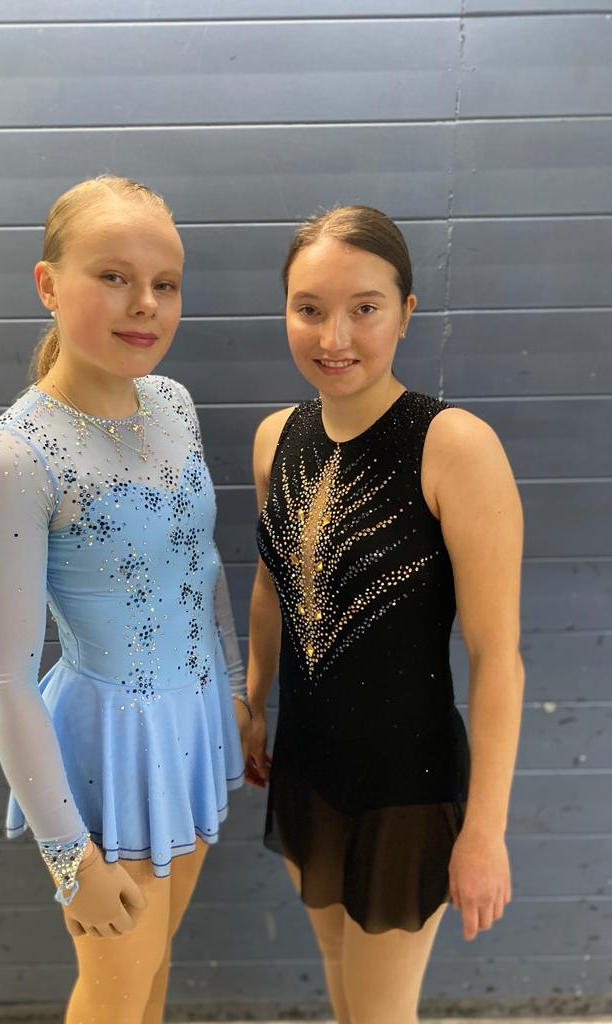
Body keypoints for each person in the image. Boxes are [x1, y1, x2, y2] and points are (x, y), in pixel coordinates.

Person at [0, 176, 250, 1024]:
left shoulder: (172, 404)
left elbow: (202, 566)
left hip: (194, 726)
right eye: (114, 277)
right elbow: (6, 681)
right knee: (116, 996)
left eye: (165, 283)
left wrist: (234, 692)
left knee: (152, 972)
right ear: (48, 285)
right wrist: (68, 855)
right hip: (113, 751)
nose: (145, 303)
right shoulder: (15, 459)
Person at [244, 205, 524, 1024]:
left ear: (405, 312)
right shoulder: (275, 437)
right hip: (306, 771)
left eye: (363, 308)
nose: (334, 336)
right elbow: (270, 586)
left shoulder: (454, 446)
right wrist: (252, 699)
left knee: (379, 1014)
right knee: (342, 983)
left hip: (408, 789)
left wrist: (485, 831)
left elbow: (498, 656)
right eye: (309, 309)